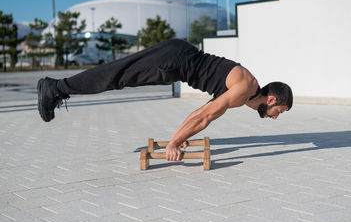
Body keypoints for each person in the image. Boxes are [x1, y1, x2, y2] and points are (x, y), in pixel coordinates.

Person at [37, 39, 293, 161]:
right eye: (278, 111)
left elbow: (201, 113)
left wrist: (179, 138)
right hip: (174, 62)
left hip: (178, 57)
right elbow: (205, 116)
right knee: (115, 76)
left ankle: (57, 88)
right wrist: (173, 143)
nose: (276, 116)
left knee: (117, 75)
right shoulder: (245, 88)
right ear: (271, 99)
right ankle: (55, 88)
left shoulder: (246, 91)